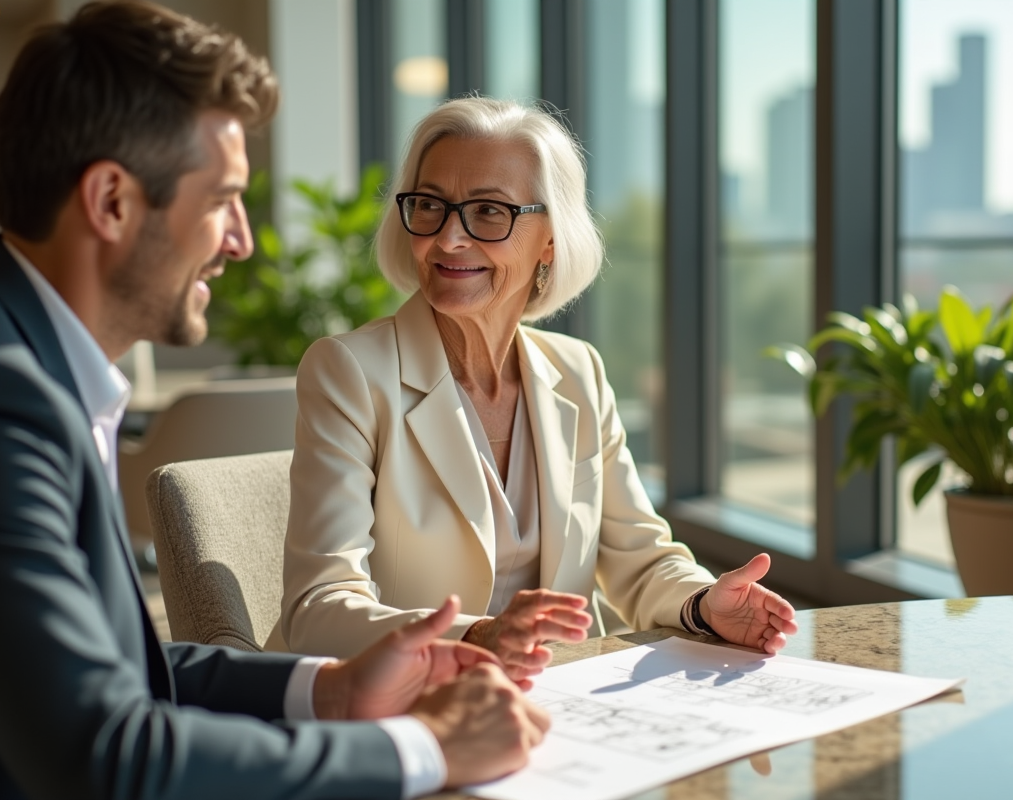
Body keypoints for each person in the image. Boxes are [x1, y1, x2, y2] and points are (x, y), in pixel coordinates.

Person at [0, 5, 548, 799]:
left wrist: (332, 691)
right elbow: (103, 758)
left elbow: (128, 669)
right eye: (223, 198)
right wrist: (424, 748)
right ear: (112, 202)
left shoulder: (19, 361)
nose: (241, 239)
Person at [273, 96, 799, 679]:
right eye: (430, 206)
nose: (448, 239)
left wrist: (703, 605)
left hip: (555, 706)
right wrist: (475, 637)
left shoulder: (579, 371)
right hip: (400, 705)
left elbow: (638, 558)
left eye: (489, 212)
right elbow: (317, 608)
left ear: (550, 238)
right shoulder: (348, 371)